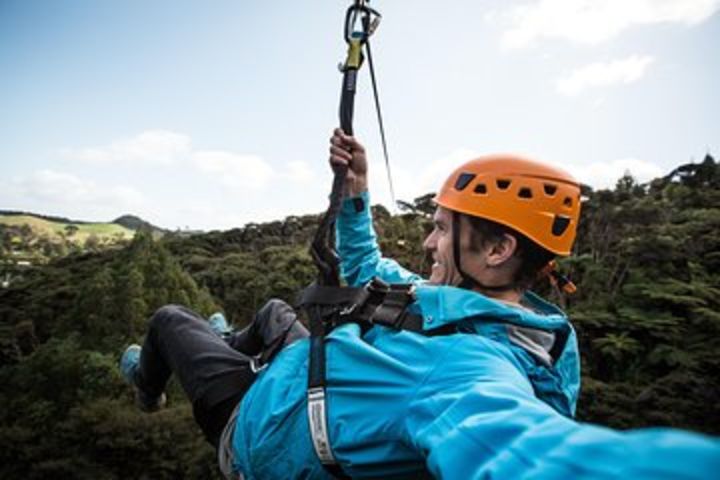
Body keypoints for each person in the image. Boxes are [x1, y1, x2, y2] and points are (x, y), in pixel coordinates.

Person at [120, 129, 720, 479]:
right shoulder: (485, 312)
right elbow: (372, 274)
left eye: (439, 229)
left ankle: (145, 385)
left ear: (497, 247)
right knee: (277, 310)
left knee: (170, 320)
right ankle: (230, 340)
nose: (428, 241)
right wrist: (356, 192)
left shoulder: (469, 372)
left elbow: (524, 452)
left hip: (250, 422)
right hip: (296, 375)